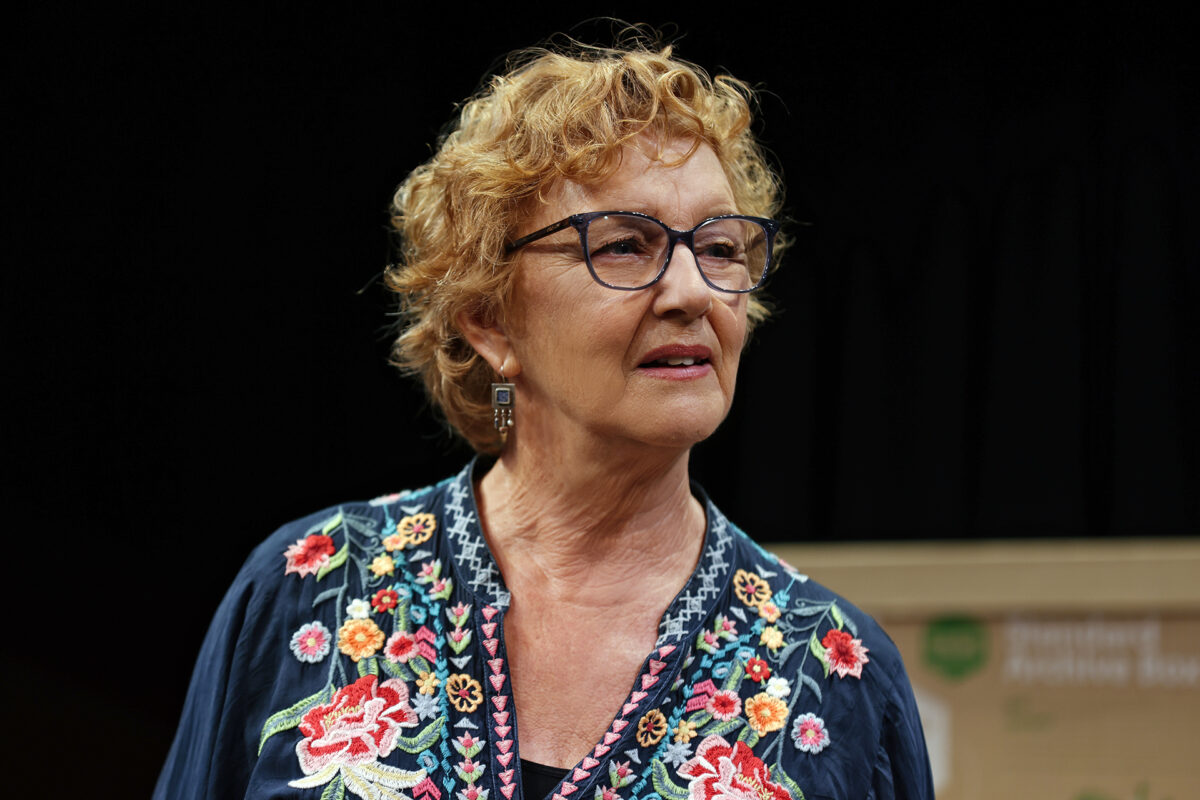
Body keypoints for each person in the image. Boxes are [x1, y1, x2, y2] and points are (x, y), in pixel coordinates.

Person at [155, 35, 934, 800]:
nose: (694, 292)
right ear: (490, 320)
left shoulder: (838, 673)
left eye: (722, 247)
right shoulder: (310, 586)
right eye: (627, 245)